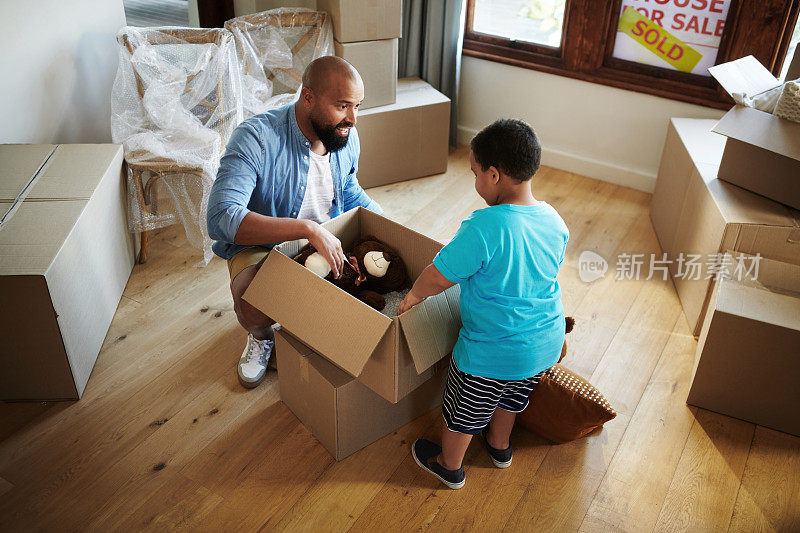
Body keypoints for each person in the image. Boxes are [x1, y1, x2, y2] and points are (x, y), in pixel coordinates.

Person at [397, 119, 569, 489]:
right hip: (544, 346)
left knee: (463, 412)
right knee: (510, 396)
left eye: (474, 173)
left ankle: (449, 465)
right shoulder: (554, 220)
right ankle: (499, 445)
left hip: (489, 353)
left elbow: (439, 274)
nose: (474, 181)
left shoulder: (484, 227)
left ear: (494, 175)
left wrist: (413, 296)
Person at [206, 56, 382, 390]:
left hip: (325, 238)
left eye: (358, 106)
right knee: (252, 303)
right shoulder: (255, 138)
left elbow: (347, 187)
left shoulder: (345, 137)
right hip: (265, 245)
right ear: (308, 97)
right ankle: (261, 338)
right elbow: (220, 217)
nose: (353, 119)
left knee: (371, 284)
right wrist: (307, 229)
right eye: (343, 106)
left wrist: (386, 221)